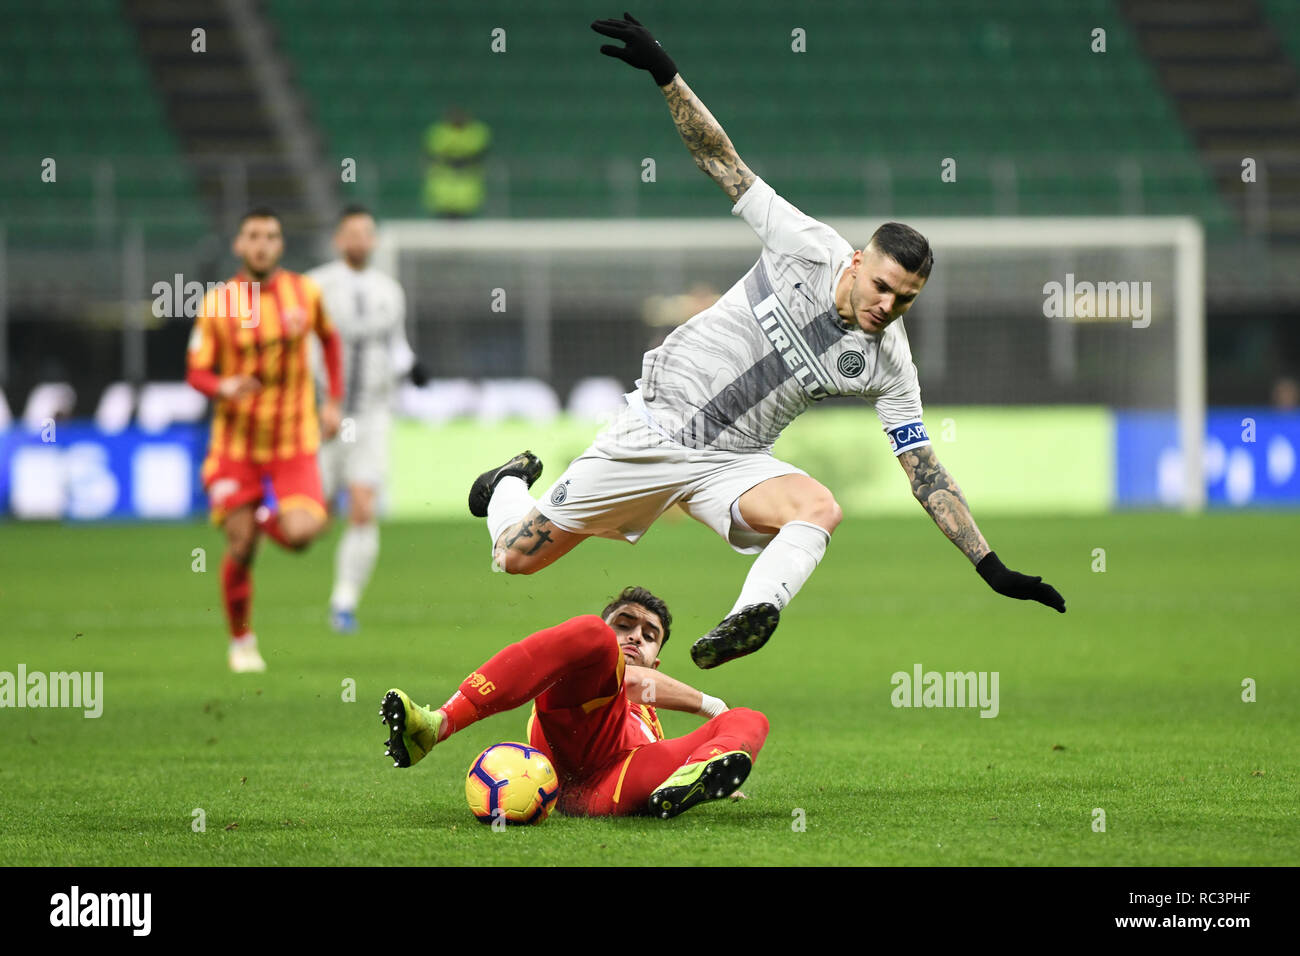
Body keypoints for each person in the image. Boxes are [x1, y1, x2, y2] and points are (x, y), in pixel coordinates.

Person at [467, 13, 1066, 672]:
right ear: (859, 261)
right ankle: (504, 485)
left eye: (906, 301)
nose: (888, 307)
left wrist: (990, 565)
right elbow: (719, 158)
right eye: (884, 287)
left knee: (819, 507)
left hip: (734, 462)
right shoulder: (805, 245)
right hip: (654, 431)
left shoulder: (890, 363)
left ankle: (748, 618)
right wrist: (666, 72)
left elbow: (924, 472)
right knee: (515, 558)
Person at [380, 586, 769, 819]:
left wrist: (712, 766)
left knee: (751, 718)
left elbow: (640, 686)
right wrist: (713, 706)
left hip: (618, 782)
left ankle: (697, 775)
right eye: (625, 624)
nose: (635, 636)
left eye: (649, 635)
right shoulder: (600, 668)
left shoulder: (648, 705)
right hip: (569, 753)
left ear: (657, 659)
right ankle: (437, 724)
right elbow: (631, 680)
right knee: (590, 633)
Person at [186, 207, 344, 672]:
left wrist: (333, 400)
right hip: (235, 448)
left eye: (271, 236)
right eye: (253, 236)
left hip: (293, 441)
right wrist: (223, 387)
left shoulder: (305, 292)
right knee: (241, 546)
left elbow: (330, 341)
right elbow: (196, 371)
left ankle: (259, 509)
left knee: (301, 536)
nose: (262, 244)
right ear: (239, 245)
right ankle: (241, 640)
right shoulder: (218, 303)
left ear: (280, 245)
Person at [308, 204, 424, 633]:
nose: (360, 241)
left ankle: (344, 602)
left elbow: (396, 346)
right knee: (312, 519)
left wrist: (412, 368)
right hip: (322, 414)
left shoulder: (389, 291)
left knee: (362, 506)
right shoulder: (315, 286)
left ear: (373, 241)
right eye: (352, 233)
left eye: (366, 234)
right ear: (339, 240)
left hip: (371, 415)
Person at [423, 107, 491, 218]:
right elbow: (431, 153)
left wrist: (465, 160)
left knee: (467, 209)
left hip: (468, 175)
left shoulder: (476, 132)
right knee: (442, 212)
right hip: (444, 176)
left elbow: (482, 153)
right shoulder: (438, 132)